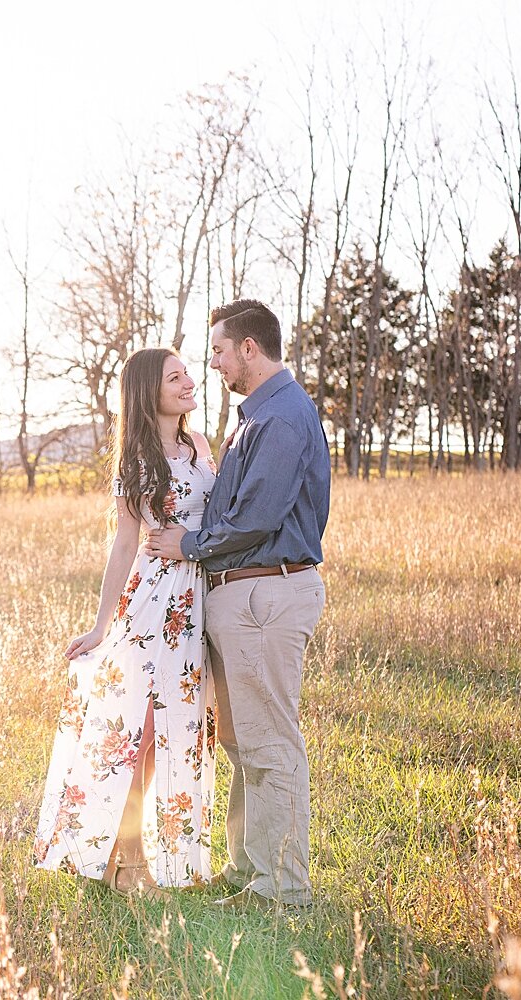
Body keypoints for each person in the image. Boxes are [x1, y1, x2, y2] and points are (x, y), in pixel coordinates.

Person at [145, 299, 331, 910]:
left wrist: (189, 544)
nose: (215, 365)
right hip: (244, 593)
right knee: (243, 740)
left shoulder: (280, 419)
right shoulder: (255, 416)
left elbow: (253, 518)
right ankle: (250, 868)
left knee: (270, 742)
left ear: (250, 348)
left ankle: (282, 888)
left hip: (266, 590)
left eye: (221, 351)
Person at [32, 347, 217, 897]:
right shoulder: (137, 459)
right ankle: (129, 862)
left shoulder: (200, 446)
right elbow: (123, 545)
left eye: (187, 373)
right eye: (174, 377)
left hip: (195, 604)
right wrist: (98, 626)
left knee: (173, 733)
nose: (188, 382)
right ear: (148, 392)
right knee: (139, 732)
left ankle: (125, 851)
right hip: (151, 605)